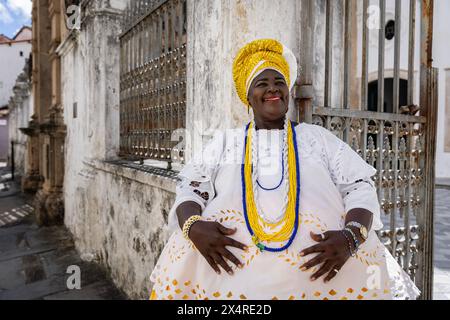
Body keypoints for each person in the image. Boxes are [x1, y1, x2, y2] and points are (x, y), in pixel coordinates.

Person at [149, 39, 420, 300]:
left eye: (279, 81)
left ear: (288, 92)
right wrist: (193, 228)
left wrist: (351, 237)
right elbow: (190, 190)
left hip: (322, 279)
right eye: (261, 83)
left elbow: (359, 186)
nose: (272, 88)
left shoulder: (317, 138)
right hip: (229, 278)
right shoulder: (226, 142)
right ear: (248, 96)